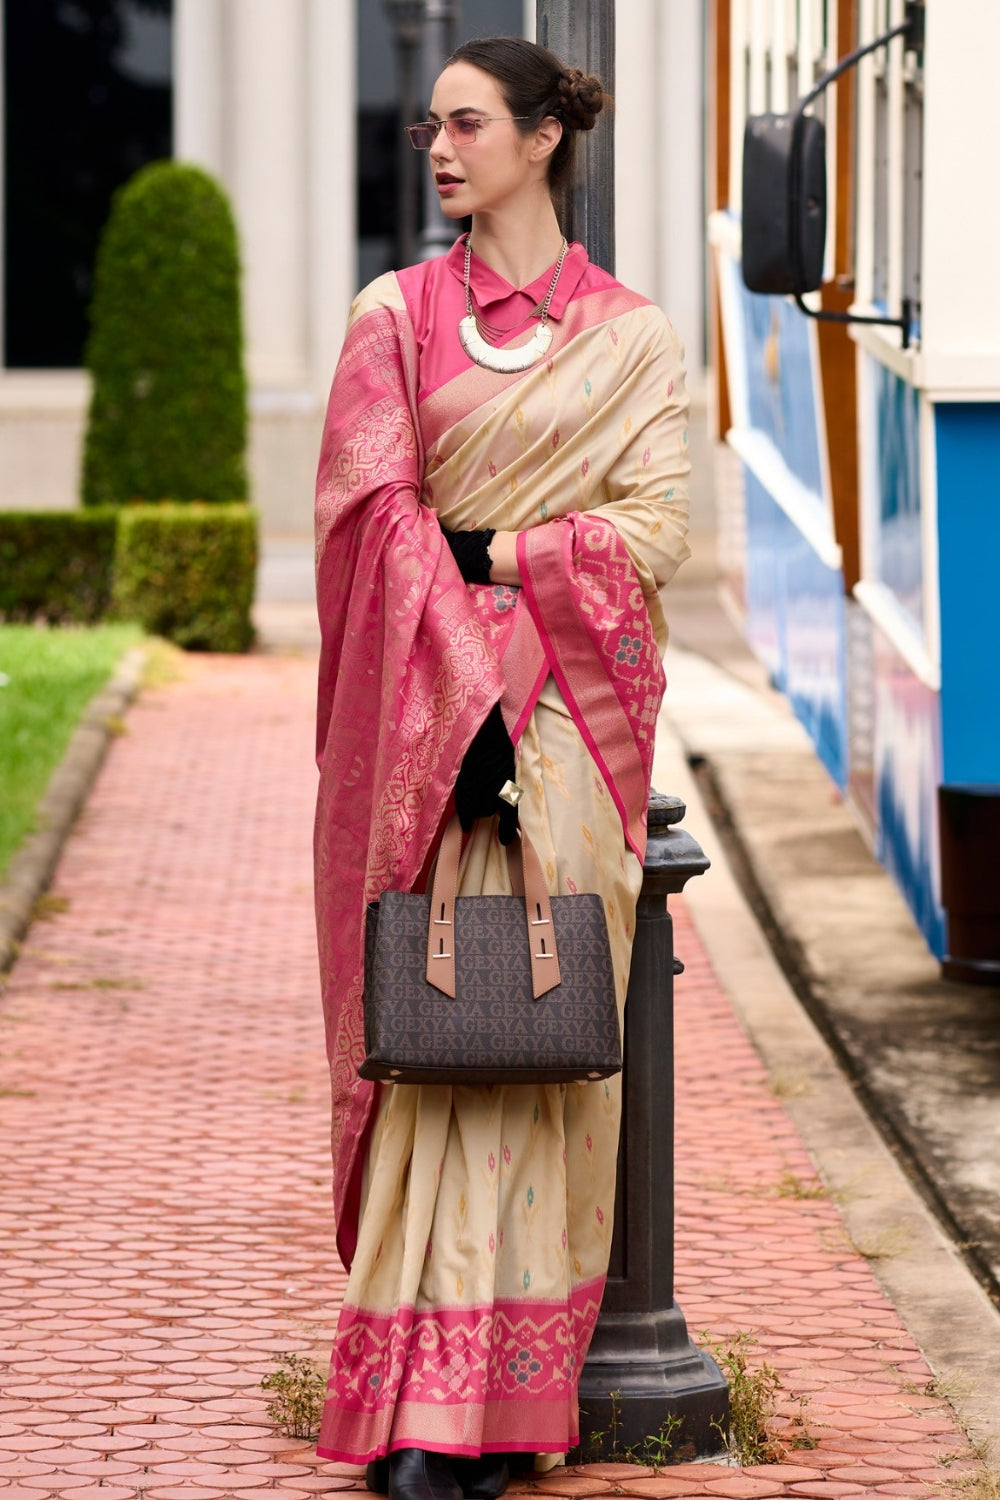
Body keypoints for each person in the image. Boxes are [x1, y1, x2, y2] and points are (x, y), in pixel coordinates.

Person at [312, 34, 691, 1500]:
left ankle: (508, 1415)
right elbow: (364, 510)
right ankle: (420, 1411)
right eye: (430, 128)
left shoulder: (635, 338)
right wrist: (465, 695)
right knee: (437, 1055)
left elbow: (656, 531)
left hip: (576, 739)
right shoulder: (396, 317)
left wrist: (502, 554)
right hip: (435, 734)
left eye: (467, 124)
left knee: (539, 1062)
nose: (440, 149)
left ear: (544, 140)